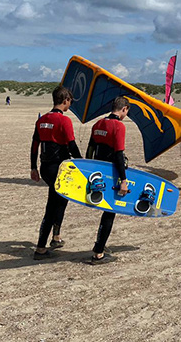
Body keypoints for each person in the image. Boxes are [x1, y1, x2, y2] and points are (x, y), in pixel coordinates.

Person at [30, 86, 82, 260]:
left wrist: (33, 168)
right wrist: (83, 164)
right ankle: (40, 249)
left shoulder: (42, 119)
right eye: (70, 102)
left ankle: (56, 237)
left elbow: (35, 145)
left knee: (61, 200)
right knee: (52, 206)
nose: (70, 105)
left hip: (45, 167)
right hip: (59, 168)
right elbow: (72, 146)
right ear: (65, 100)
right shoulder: (64, 121)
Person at [85, 96, 130, 264]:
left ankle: (99, 247)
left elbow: (90, 151)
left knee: (107, 211)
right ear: (124, 109)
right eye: (127, 112)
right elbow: (118, 154)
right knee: (110, 212)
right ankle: (98, 252)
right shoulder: (118, 126)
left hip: (97, 174)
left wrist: (87, 172)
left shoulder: (98, 124)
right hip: (111, 174)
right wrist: (123, 180)